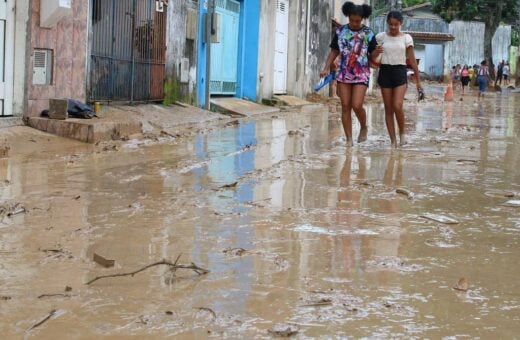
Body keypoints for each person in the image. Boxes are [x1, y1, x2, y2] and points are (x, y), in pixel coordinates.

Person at [320, 1, 376, 147]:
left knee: (357, 105)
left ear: (362, 19)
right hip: (344, 73)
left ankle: (363, 127)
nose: (355, 23)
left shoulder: (369, 33)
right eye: (352, 20)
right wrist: (326, 67)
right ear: (348, 17)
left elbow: (374, 54)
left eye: (358, 21)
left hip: (361, 73)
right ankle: (349, 140)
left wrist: (378, 52)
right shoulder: (340, 31)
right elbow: (334, 51)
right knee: (345, 105)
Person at [372, 10, 422, 148]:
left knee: (397, 105)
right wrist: (375, 52)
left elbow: (412, 60)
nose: (393, 27)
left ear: (401, 23)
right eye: (391, 24)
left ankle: (402, 134)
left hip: (400, 72)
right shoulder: (380, 37)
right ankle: (393, 141)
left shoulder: (407, 38)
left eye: (396, 24)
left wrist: (418, 81)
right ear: (387, 23)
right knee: (388, 109)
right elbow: (372, 56)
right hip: (385, 72)